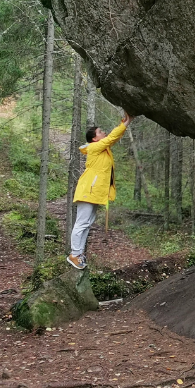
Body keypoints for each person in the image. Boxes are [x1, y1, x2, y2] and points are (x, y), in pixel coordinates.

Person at [67, 111, 131, 270]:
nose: (104, 133)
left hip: (94, 192)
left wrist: (124, 123)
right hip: (88, 190)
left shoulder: (103, 149)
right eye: (101, 132)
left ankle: (79, 253)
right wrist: (125, 124)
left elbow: (112, 139)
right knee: (81, 224)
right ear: (95, 138)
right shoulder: (95, 147)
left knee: (87, 224)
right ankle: (74, 254)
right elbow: (112, 138)